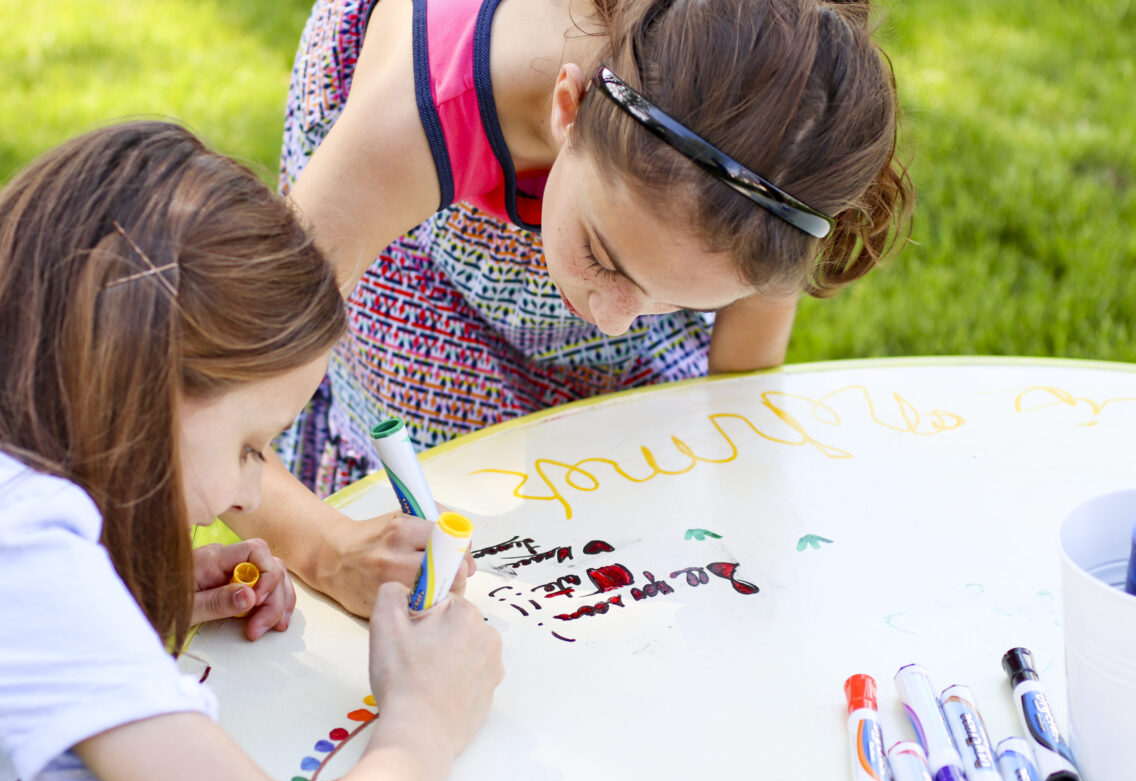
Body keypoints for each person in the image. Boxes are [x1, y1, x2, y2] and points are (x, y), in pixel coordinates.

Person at [225, 0, 913, 617]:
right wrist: (328, 547)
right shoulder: (412, 121)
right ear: (568, 107)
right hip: (430, 195)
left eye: (678, 302)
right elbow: (216, 408)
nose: (616, 319)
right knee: (442, 451)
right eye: (605, 258)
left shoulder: (776, 158)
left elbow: (738, 388)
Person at [0, 122, 503, 781]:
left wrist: (134, 594)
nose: (245, 497)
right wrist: (424, 715)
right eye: (248, 448)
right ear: (135, 381)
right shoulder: (28, 564)